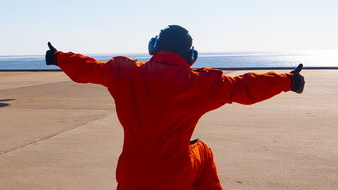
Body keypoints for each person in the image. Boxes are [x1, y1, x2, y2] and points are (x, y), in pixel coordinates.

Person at [45, 25, 305, 189]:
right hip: (173, 178)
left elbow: (86, 69)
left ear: (154, 48)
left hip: (130, 176)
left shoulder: (123, 73)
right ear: (190, 56)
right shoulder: (200, 83)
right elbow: (244, 87)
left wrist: (58, 57)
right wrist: (288, 80)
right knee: (202, 150)